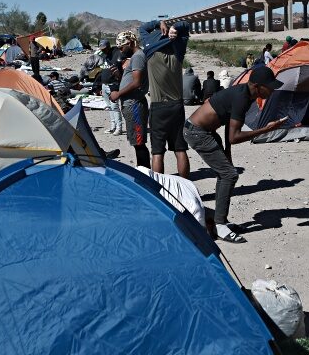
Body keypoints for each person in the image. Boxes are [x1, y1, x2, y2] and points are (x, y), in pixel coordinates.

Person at [183, 66, 285, 243]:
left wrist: (227, 154)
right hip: (197, 132)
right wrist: (266, 130)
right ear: (257, 86)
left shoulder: (245, 95)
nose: (272, 89)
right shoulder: (242, 98)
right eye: (269, 86)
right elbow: (235, 136)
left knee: (226, 173)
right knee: (229, 175)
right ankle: (219, 224)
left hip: (205, 131)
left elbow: (228, 126)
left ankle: (219, 220)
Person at [140, 19, 191, 178]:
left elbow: (142, 28)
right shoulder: (178, 49)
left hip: (158, 106)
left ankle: (159, 191)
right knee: (180, 149)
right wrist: (174, 27)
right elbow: (186, 25)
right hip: (177, 106)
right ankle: (185, 188)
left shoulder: (149, 48)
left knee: (157, 152)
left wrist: (158, 23)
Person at [110, 31, 151, 169]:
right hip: (132, 104)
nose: (121, 51)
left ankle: (144, 174)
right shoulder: (135, 57)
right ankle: (143, 172)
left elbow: (137, 82)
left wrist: (118, 94)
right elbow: (131, 80)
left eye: (122, 47)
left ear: (129, 43)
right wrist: (119, 76)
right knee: (136, 142)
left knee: (139, 143)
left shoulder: (138, 57)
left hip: (134, 104)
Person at [99, 39, 124, 135]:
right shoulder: (104, 56)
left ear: (109, 46)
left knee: (115, 106)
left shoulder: (117, 54)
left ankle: (119, 128)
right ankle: (113, 126)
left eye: (104, 49)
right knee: (109, 107)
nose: (103, 51)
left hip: (113, 84)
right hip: (104, 84)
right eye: (101, 49)